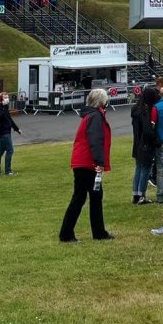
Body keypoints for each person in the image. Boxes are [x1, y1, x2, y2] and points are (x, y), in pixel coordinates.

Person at [59, 88, 115, 241]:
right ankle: (70, 233)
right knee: (84, 197)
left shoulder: (90, 116)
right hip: (87, 162)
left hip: (83, 162)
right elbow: (95, 140)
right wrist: (99, 162)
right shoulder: (95, 117)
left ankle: (97, 232)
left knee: (89, 196)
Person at [131, 86, 159, 204]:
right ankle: (141, 195)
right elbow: (147, 130)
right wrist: (156, 139)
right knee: (145, 169)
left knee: (139, 168)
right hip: (145, 143)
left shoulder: (136, 108)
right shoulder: (145, 110)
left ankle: (136, 194)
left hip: (137, 142)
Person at [0, 93, 21, 175]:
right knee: (10, 150)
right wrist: (4, 106)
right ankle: (7, 170)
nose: (7, 99)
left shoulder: (5, 107)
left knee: (0, 151)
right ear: (1, 99)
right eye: (5, 97)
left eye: (7, 97)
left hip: (5, 132)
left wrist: (16, 129)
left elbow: (9, 120)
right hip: (3, 132)